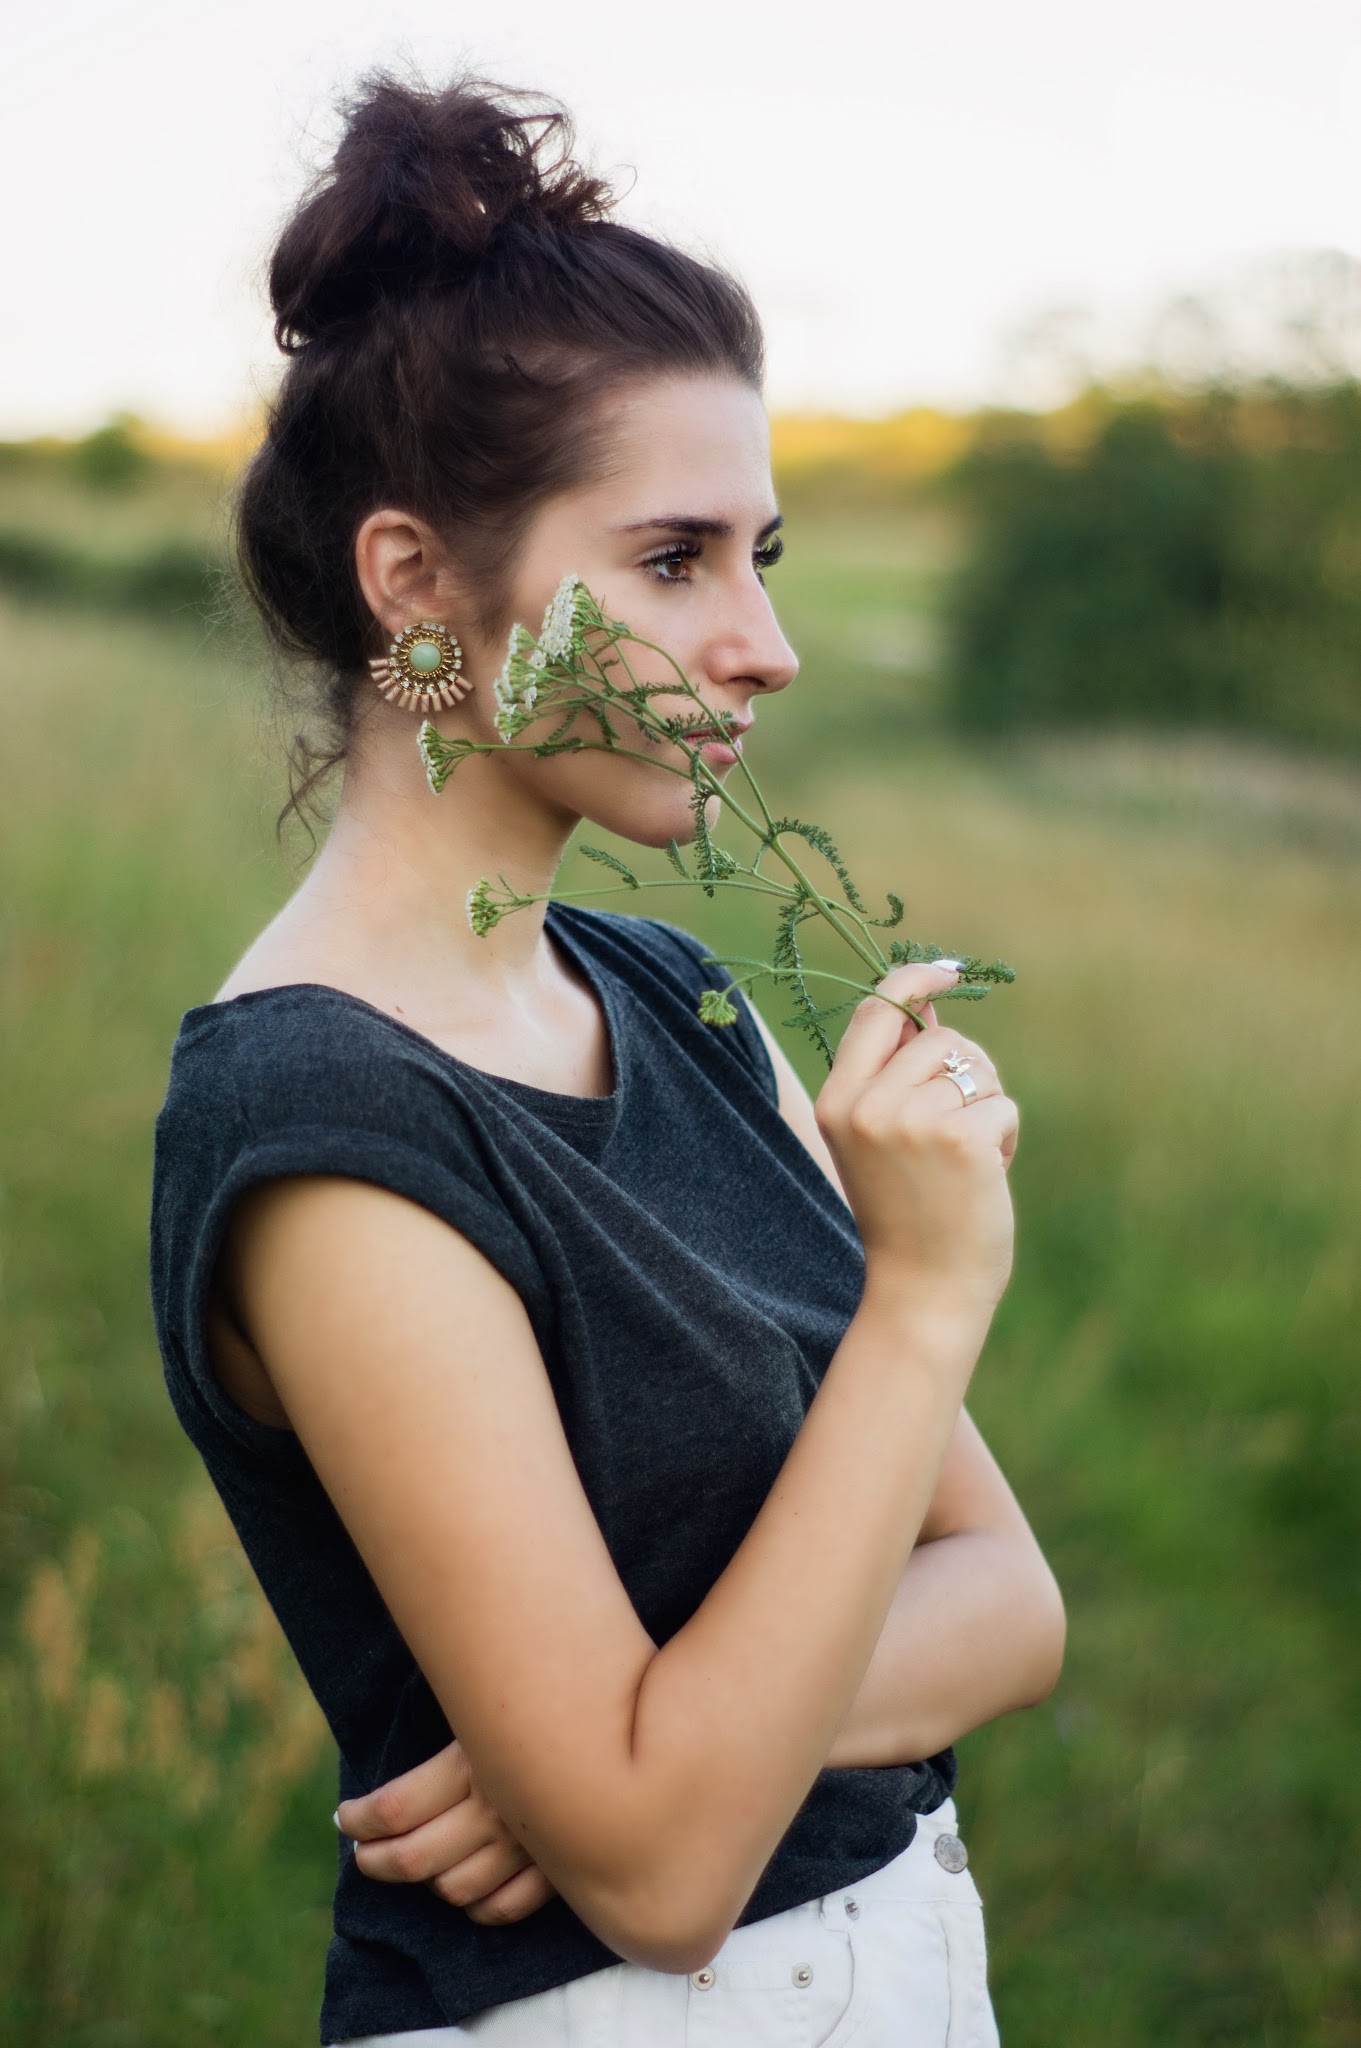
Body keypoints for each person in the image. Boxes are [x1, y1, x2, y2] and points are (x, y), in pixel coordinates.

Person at [148, 67, 1066, 2048]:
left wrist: (655, 1741)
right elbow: (658, 1866)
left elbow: (1013, 1605)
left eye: (767, 554)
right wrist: (923, 1291)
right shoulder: (326, 1127)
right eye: (674, 560)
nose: (765, 643)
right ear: (414, 587)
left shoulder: (677, 1001)